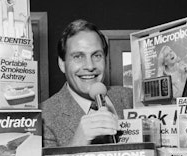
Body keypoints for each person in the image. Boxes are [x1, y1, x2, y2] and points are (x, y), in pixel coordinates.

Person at [41, 19, 133, 148]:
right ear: (62, 64)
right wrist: (77, 143)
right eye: (78, 56)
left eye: (97, 56)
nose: (90, 66)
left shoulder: (130, 98)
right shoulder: (44, 117)